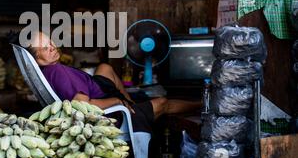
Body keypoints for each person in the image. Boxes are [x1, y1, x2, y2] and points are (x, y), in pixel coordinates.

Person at [25, 31, 201, 133]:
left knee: (105, 68)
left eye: (50, 42)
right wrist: (117, 101)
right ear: (36, 57)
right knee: (163, 103)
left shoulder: (48, 69)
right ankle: (199, 105)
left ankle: (132, 105)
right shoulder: (58, 71)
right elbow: (82, 105)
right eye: (45, 48)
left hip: (97, 88)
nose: (52, 47)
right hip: (108, 113)